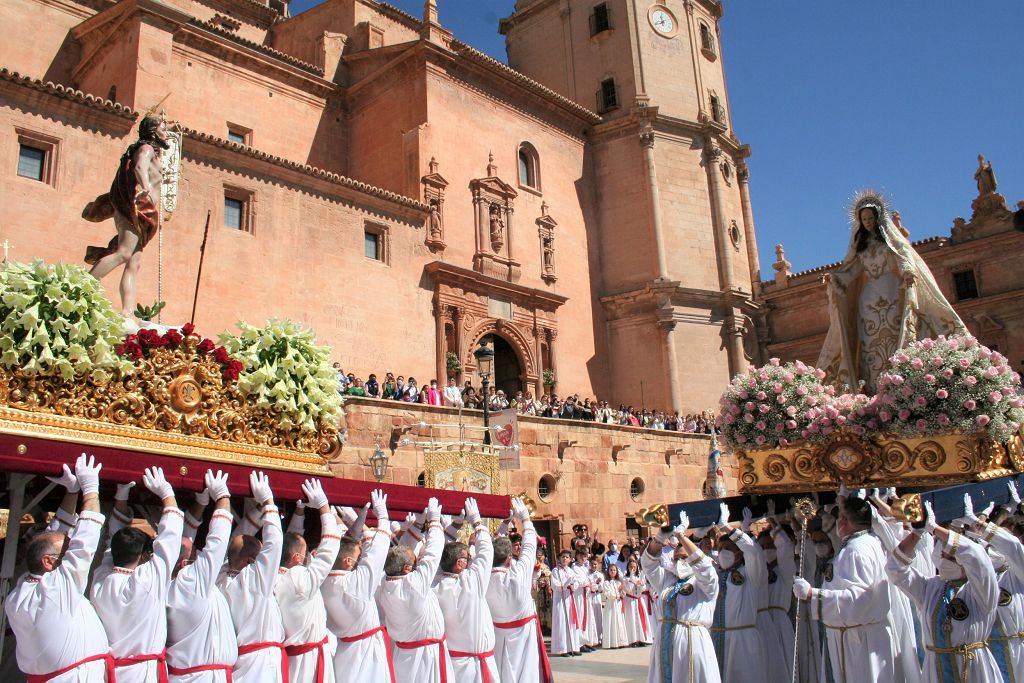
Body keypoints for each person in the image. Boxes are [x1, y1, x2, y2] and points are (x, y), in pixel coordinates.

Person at [817, 191, 966, 390]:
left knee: (898, 334)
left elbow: (903, 257)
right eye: (864, 219)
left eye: (870, 218)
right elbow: (853, 271)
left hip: (891, 291)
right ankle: (875, 386)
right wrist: (834, 279)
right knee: (870, 345)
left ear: (878, 218)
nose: (868, 222)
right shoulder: (860, 249)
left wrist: (908, 272)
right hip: (868, 301)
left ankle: (901, 380)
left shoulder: (891, 243)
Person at [5, 454, 112, 681]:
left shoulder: (22, 590)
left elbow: (49, 541)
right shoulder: (54, 591)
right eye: (66, 552)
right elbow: (84, 544)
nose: (70, 549)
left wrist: (72, 492)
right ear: (49, 562)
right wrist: (91, 489)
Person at [887, 500, 1001, 683]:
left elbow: (977, 557)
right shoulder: (930, 588)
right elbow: (895, 570)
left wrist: (934, 527)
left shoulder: (981, 590)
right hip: (936, 669)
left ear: (963, 561)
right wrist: (917, 532)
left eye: (949, 555)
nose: (943, 558)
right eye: (942, 555)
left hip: (972, 669)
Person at [92, 466, 183, 683]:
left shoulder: (100, 581)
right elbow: (170, 537)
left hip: (110, 671)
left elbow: (112, 545)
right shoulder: (147, 582)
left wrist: (121, 496)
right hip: (143, 674)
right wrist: (167, 493)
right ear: (143, 557)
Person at [794, 491, 896, 683]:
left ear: (844, 521)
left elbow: (859, 597)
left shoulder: (855, 550)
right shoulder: (870, 541)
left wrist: (811, 594)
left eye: (841, 517)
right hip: (860, 635)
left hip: (857, 641)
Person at [84, 115, 168, 318]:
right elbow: (139, 167)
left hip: (147, 213)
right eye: (163, 129)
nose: (166, 133)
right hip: (136, 208)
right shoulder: (146, 150)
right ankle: (82, 287)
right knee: (123, 253)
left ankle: (127, 312)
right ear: (153, 131)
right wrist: (146, 187)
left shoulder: (154, 155)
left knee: (134, 262)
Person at [166, 469, 238, 681]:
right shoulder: (189, 585)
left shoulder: (173, 583)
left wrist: (200, 503)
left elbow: (182, 543)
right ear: (184, 564)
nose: (198, 555)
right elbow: (216, 543)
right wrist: (223, 498)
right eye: (194, 556)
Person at [218, 471, 286, 683]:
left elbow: (235, 543)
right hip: (262, 664)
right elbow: (274, 541)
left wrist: (258, 511)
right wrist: (267, 501)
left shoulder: (219, 577)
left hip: (240, 660)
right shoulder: (254, 580)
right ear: (250, 562)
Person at [378, 497, 452, 682]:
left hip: (403, 655)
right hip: (427, 657)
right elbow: (433, 553)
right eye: (414, 563)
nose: (418, 564)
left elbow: (401, 553)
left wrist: (418, 524)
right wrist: (434, 521)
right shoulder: (414, 585)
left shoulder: (383, 584)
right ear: (407, 569)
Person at [642, 512, 722, 683]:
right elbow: (648, 565)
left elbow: (704, 566)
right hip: (665, 642)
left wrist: (681, 537)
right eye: (676, 558)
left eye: (685, 558)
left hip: (692, 642)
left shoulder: (704, 582)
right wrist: (659, 538)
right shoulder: (668, 579)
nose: (679, 562)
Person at [322, 489, 393, 683]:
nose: (359, 560)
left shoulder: (322, 582)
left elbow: (344, 547)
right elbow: (378, 550)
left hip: (344, 652)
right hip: (368, 654)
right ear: (347, 561)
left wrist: (358, 521)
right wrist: (383, 515)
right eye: (356, 558)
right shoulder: (355, 584)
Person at [276, 479, 341, 683]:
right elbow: (331, 545)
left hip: (293, 659)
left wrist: (299, 512)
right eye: (305, 555)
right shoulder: (299, 580)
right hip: (311, 662)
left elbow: (289, 542)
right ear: (297, 558)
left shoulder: (273, 577)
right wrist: (323, 506)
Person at [487, 498, 552, 683]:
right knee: (527, 672)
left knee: (504, 672)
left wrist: (505, 523)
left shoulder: (481, 578)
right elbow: (530, 545)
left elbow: (487, 550)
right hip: (524, 633)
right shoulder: (517, 575)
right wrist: (525, 518)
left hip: (498, 632)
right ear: (509, 559)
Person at [435, 498, 498, 682]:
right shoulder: (470, 582)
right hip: (476, 665)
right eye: (467, 557)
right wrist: (477, 521)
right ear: (461, 563)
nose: (470, 559)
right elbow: (487, 552)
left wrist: (455, 525)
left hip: (451, 661)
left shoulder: (435, 585)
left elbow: (438, 556)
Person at [710, 505, 767, 683]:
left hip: (742, 639)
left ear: (738, 553)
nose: (722, 553)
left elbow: (753, 551)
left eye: (727, 548)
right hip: (717, 637)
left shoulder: (750, 573)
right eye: (720, 549)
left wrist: (728, 528)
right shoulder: (716, 574)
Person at [755, 513, 796, 682]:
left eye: (769, 545)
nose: (766, 549)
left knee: (783, 664)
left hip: (779, 622)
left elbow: (786, 548)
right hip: (760, 621)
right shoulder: (757, 571)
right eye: (762, 546)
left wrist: (775, 527)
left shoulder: (784, 570)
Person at [550, 550, 582, 657]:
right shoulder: (556, 571)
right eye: (563, 557)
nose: (564, 559)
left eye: (567, 557)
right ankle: (563, 648)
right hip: (561, 598)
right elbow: (555, 585)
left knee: (571, 621)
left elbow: (576, 582)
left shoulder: (571, 570)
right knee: (562, 622)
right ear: (559, 558)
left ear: (569, 559)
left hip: (570, 597)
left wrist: (573, 586)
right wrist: (565, 585)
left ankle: (573, 646)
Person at [623, 557, 652, 647]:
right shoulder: (625, 578)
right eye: (631, 567)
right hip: (630, 601)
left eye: (634, 567)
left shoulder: (639, 577)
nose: (633, 568)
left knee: (640, 619)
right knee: (631, 619)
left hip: (639, 600)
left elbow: (644, 588)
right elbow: (628, 589)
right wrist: (631, 578)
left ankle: (642, 638)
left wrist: (641, 585)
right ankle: (633, 640)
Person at [600, 564, 629, 650]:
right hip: (611, 604)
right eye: (611, 570)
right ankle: (612, 642)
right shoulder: (606, 583)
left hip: (618, 604)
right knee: (611, 621)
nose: (613, 572)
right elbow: (608, 594)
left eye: (614, 570)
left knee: (619, 621)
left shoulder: (618, 582)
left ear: (616, 572)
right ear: (608, 572)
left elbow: (623, 594)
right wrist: (617, 592)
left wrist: (622, 593)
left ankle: (620, 641)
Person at [587, 557, 605, 645]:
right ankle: (591, 637)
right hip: (590, 595)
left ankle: (599, 636)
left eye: (595, 564)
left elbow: (602, 588)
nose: (594, 566)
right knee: (591, 615)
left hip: (597, 596)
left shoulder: (600, 575)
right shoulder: (587, 574)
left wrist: (599, 584)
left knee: (598, 616)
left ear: (598, 565)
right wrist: (594, 583)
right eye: (592, 564)